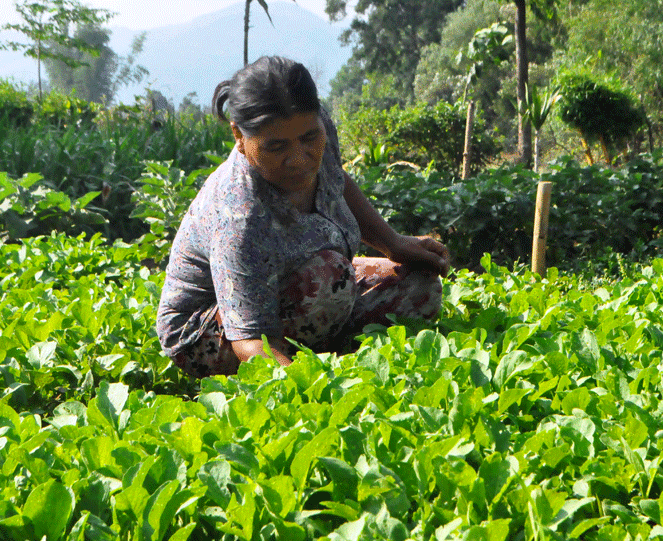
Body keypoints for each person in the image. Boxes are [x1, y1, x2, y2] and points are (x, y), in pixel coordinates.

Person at [156, 56, 450, 377]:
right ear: (239, 137)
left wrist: (394, 243)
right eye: (276, 147)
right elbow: (252, 342)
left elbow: (335, 180)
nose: (299, 159)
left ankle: (327, 348)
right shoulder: (240, 216)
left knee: (420, 286)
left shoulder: (317, 127)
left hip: (304, 283)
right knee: (328, 278)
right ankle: (311, 361)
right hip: (209, 332)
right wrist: (314, 386)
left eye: (309, 138)